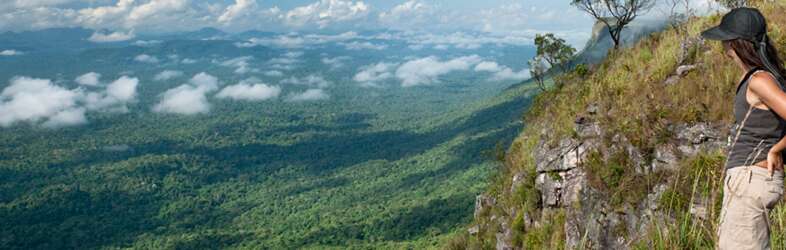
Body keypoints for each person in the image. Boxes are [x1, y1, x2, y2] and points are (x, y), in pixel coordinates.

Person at [702, 7, 786, 250]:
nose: (723, 45)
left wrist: (776, 149)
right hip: (747, 180)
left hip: (750, 180)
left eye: (726, 39)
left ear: (736, 44)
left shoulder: (760, 80)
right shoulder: (759, 77)